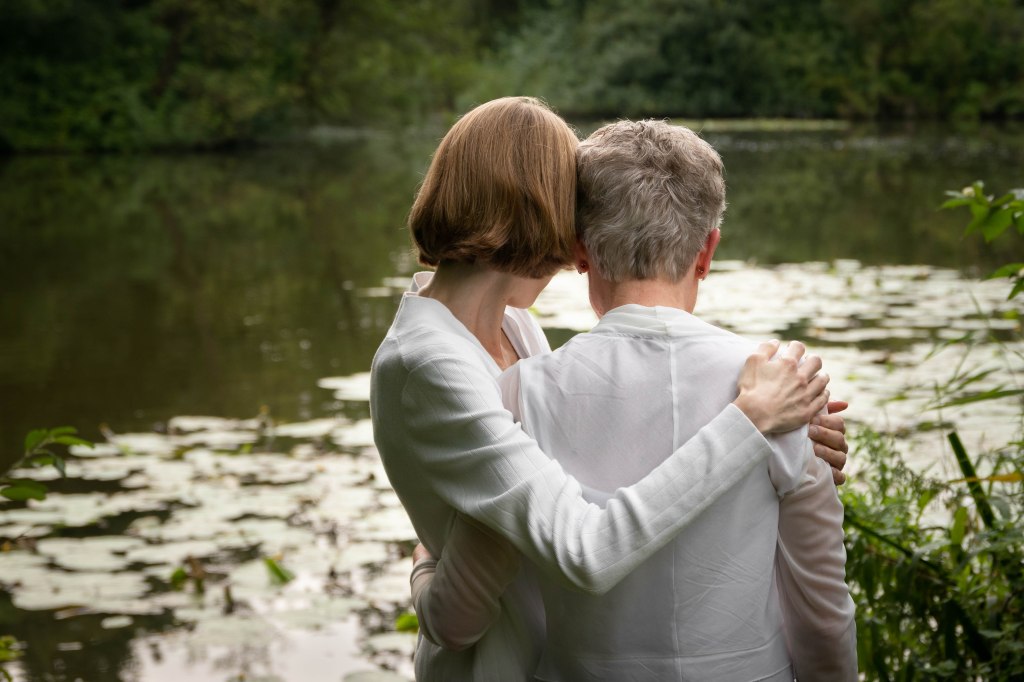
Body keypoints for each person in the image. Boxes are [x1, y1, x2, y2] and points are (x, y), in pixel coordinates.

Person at [370, 97, 846, 681]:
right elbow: (574, 549)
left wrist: (798, 434)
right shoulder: (429, 365)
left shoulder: (514, 330)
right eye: (573, 211)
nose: (576, 253)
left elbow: (564, 458)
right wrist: (751, 422)